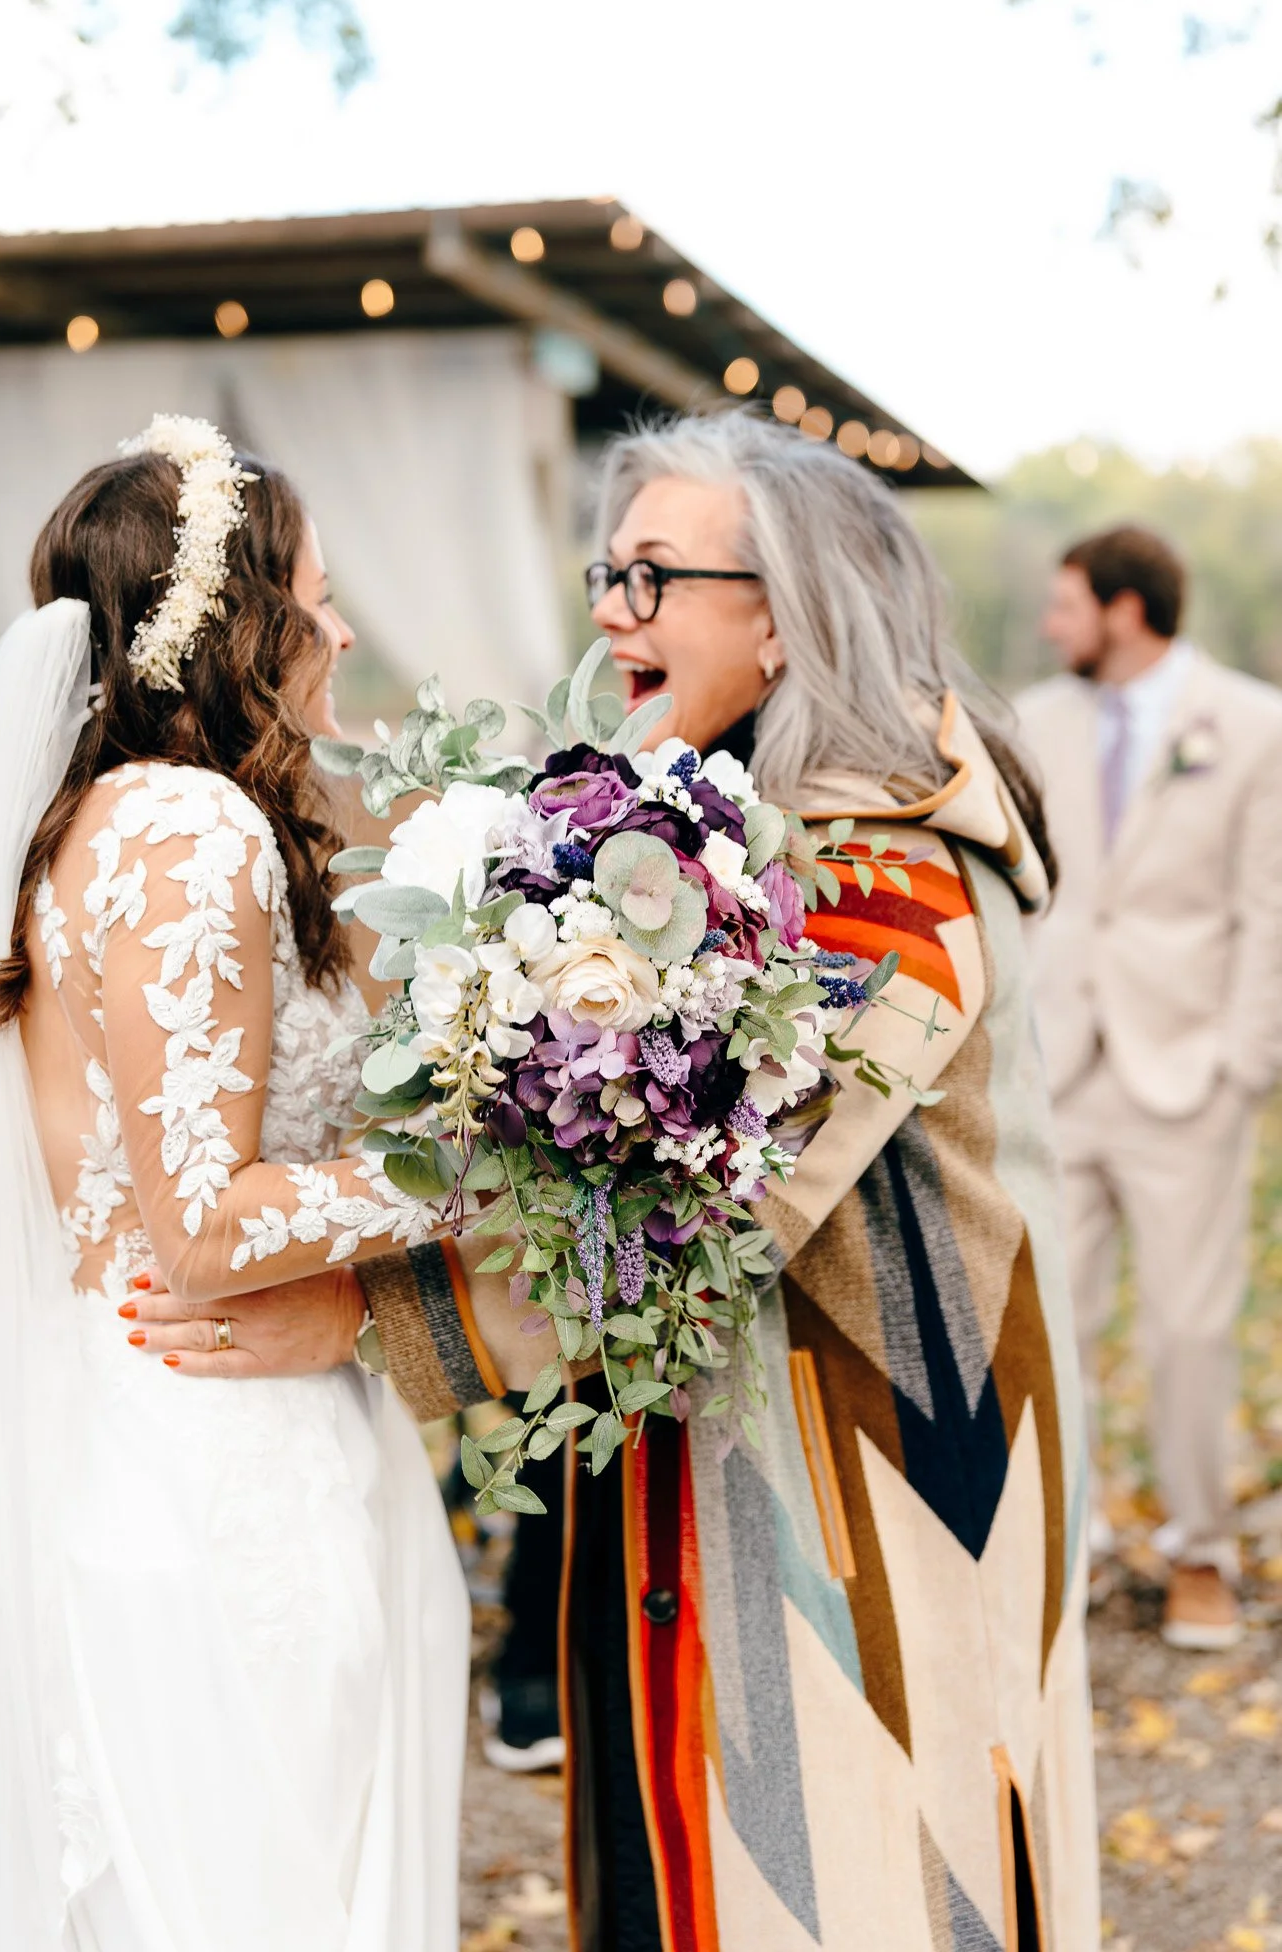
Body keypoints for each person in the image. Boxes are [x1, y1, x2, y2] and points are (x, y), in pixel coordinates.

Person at [136, 409, 1100, 1949]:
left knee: (856, 1884)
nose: (609, 613)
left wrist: (363, 1323)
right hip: (692, 1457)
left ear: (784, 615)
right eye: (607, 573)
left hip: (881, 1481)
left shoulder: (893, 877)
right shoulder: (695, 823)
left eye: (651, 579)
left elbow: (717, 1203)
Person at [0, 418, 470, 1949]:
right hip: (212, 1450)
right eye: (320, 595)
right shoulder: (187, 824)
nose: (345, 628)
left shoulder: (96, 823)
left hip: (157, 1412)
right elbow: (208, 1223)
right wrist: (475, 1161)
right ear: (236, 627)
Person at [1017, 525, 1282, 1651]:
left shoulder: (1255, 722)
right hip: (1062, 1067)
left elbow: (1270, 904)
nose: (1051, 624)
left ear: (1126, 609)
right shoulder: (1034, 720)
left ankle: (1201, 1546)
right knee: (1049, 1323)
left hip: (1190, 1075)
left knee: (1187, 1326)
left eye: (1068, 604)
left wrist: (1245, 1062)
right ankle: (1059, 1547)